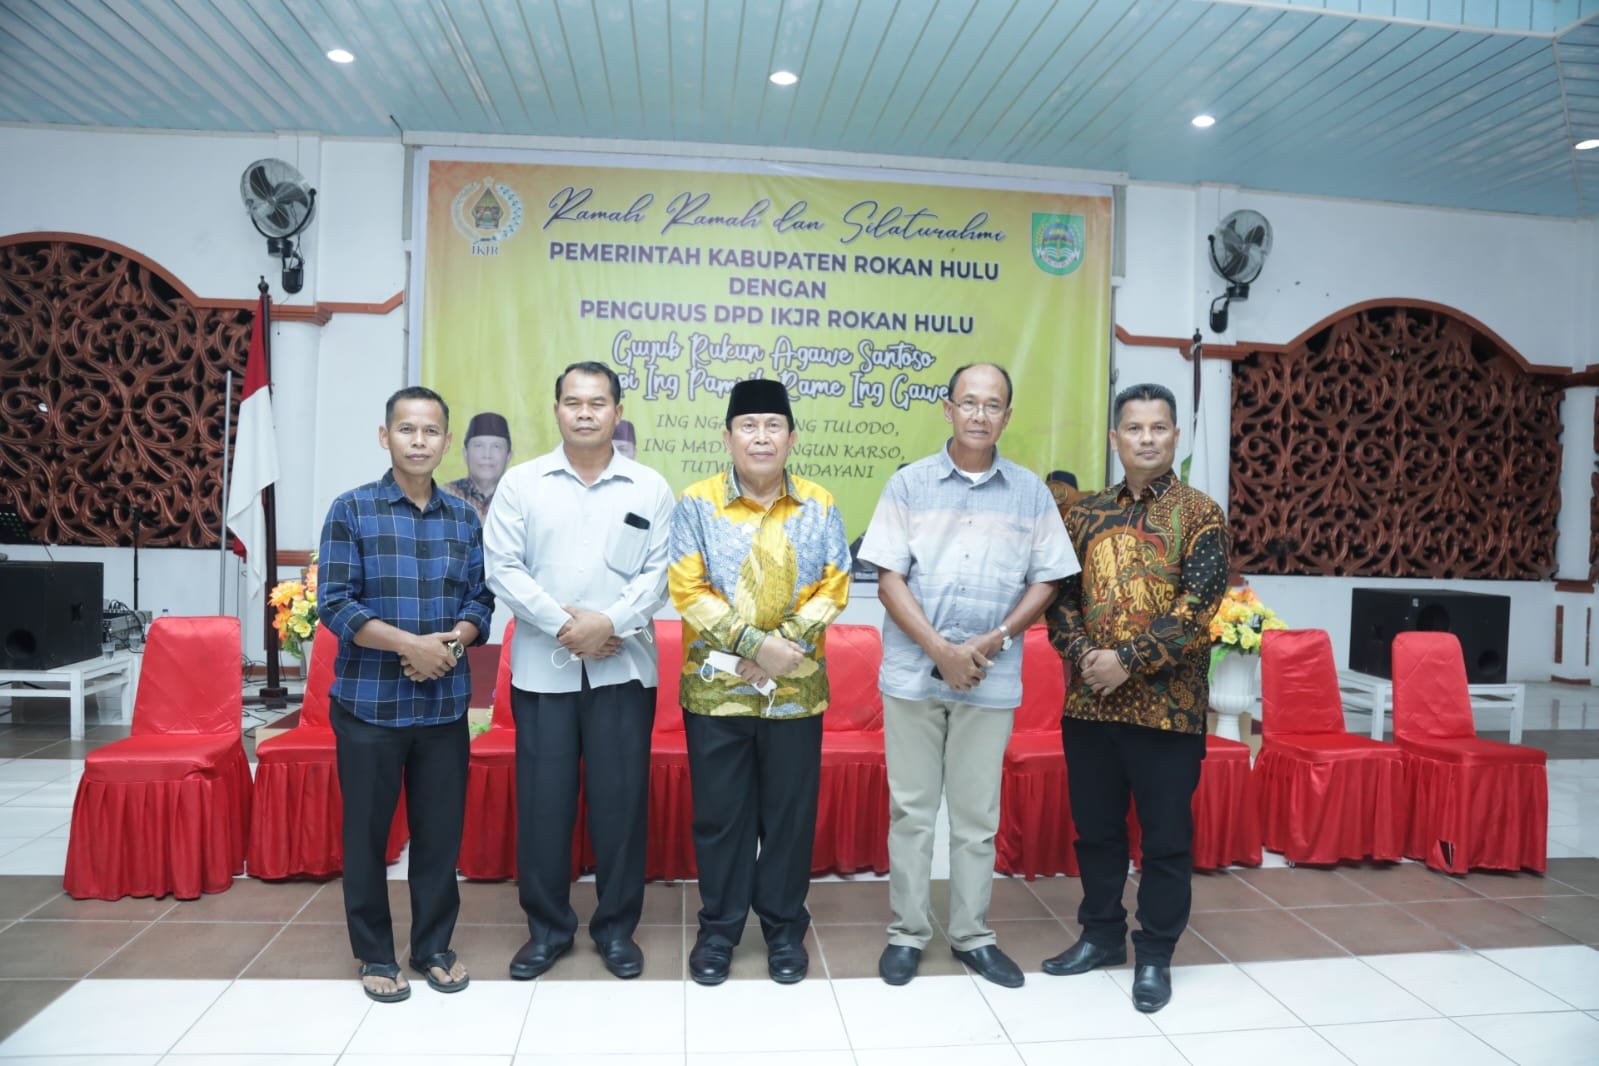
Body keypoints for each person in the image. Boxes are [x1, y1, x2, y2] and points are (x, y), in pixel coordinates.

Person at [857, 363, 1078, 989]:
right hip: (912, 676)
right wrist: (940, 650)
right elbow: (888, 579)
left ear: (1008, 416)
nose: (980, 414)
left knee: (978, 818)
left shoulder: (1031, 493)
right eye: (969, 402)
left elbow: (1049, 579)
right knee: (912, 812)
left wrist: (994, 639)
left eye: (993, 405)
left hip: (992, 678)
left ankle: (972, 936)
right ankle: (907, 933)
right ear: (948, 408)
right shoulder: (908, 484)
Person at [1041, 382, 1229, 1014]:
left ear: (1174, 435)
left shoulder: (1200, 514)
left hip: (1167, 711)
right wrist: (1084, 656)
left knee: (1165, 840)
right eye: (1135, 428)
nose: (1146, 438)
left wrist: (1126, 661)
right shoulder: (1085, 514)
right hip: (1089, 706)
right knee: (1096, 834)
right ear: (1114, 438)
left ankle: (1155, 954)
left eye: (1158, 427)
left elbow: (1196, 609)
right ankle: (1100, 937)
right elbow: (1060, 599)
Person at [483, 362, 674, 981]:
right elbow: (502, 568)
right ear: (557, 410)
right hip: (544, 672)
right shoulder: (522, 484)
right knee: (544, 807)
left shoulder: (649, 487)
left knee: (621, 807)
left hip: (624, 671)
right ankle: (547, 930)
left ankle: (617, 930)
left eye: (597, 402)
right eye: (573, 402)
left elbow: (660, 575)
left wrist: (609, 622)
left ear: (618, 411)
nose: (585, 412)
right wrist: (568, 626)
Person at [668, 378, 851, 986]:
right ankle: (719, 931)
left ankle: (783, 930)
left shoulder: (819, 504)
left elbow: (835, 585)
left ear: (791, 438)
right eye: (749, 426)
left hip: (795, 695)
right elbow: (687, 589)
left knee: (788, 820)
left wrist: (782, 648)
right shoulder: (696, 503)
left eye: (774, 426)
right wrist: (755, 646)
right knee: (720, 819)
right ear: (728, 438)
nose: (762, 437)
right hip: (715, 696)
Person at [317, 385, 495, 1003]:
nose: (419, 441)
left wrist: (449, 645)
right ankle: (374, 953)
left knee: (439, 837)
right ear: (385, 436)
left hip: (443, 707)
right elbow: (335, 604)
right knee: (367, 838)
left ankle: (432, 947)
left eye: (430, 431)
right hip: (369, 705)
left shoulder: (463, 518)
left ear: (447, 442)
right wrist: (409, 647)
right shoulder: (352, 509)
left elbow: (480, 601)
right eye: (407, 429)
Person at [442, 411, 513, 521]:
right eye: (479, 446)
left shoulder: (520, 497)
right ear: (465, 453)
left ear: (509, 456)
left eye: (496, 446)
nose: (487, 455)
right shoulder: (444, 496)